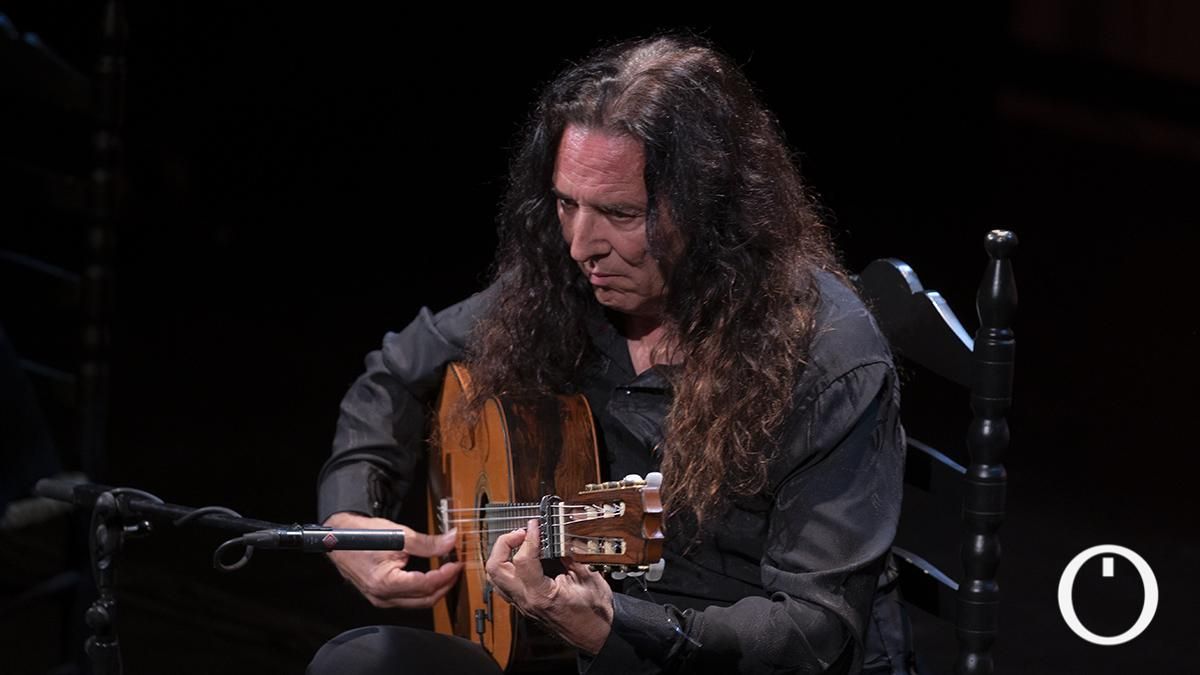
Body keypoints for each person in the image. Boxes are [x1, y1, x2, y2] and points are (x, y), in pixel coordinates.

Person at [310, 34, 913, 674]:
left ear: (713, 209)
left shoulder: (824, 356)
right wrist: (350, 517)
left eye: (620, 213)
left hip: (720, 661)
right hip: (564, 650)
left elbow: (812, 631)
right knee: (355, 662)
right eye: (567, 204)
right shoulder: (563, 287)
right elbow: (395, 373)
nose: (580, 245)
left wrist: (616, 628)